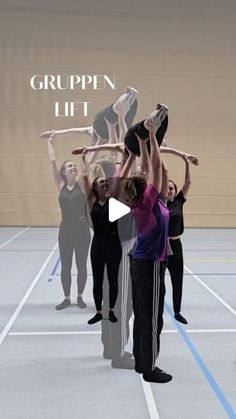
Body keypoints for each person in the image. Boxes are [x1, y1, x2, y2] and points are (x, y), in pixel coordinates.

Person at [122, 107, 172, 383]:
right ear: (146, 190)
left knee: (143, 314)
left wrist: (143, 142)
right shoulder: (145, 203)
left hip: (143, 262)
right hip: (149, 264)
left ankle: (142, 362)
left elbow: (155, 169)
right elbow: (154, 168)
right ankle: (150, 369)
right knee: (152, 317)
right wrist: (152, 136)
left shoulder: (149, 202)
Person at [79, 125, 136, 324]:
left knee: (112, 279)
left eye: (105, 182)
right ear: (95, 187)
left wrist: (129, 157)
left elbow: (121, 177)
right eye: (101, 182)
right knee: (97, 280)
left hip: (113, 244)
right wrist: (84, 158)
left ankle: (111, 310)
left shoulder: (113, 199)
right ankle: (98, 311)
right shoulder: (91, 201)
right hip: (97, 245)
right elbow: (84, 178)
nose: (104, 183)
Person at [45, 132, 90, 310]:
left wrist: (86, 153)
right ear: (64, 172)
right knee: (66, 266)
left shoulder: (82, 184)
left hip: (82, 229)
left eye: (74, 165)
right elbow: (52, 161)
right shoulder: (60, 185)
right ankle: (66, 298)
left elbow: (87, 164)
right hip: (66, 229)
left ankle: (79, 296)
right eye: (69, 166)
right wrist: (51, 141)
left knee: (81, 266)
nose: (73, 167)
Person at [39, 86, 138, 146]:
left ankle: (123, 100)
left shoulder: (90, 131)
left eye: (93, 142)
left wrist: (55, 133)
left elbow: (71, 131)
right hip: (115, 127)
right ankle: (131, 99)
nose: (94, 141)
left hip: (100, 122)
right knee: (126, 124)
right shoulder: (105, 140)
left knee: (114, 112)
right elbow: (116, 146)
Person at [167, 154, 193, 324]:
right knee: (159, 281)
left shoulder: (178, 201)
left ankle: (177, 311)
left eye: (172, 188)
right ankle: (155, 307)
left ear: (175, 191)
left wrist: (187, 162)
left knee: (178, 280)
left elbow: (188, 182)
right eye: (167, 188)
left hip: (176, 245)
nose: (169, 190)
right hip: (161, 246)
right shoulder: (158, 202)